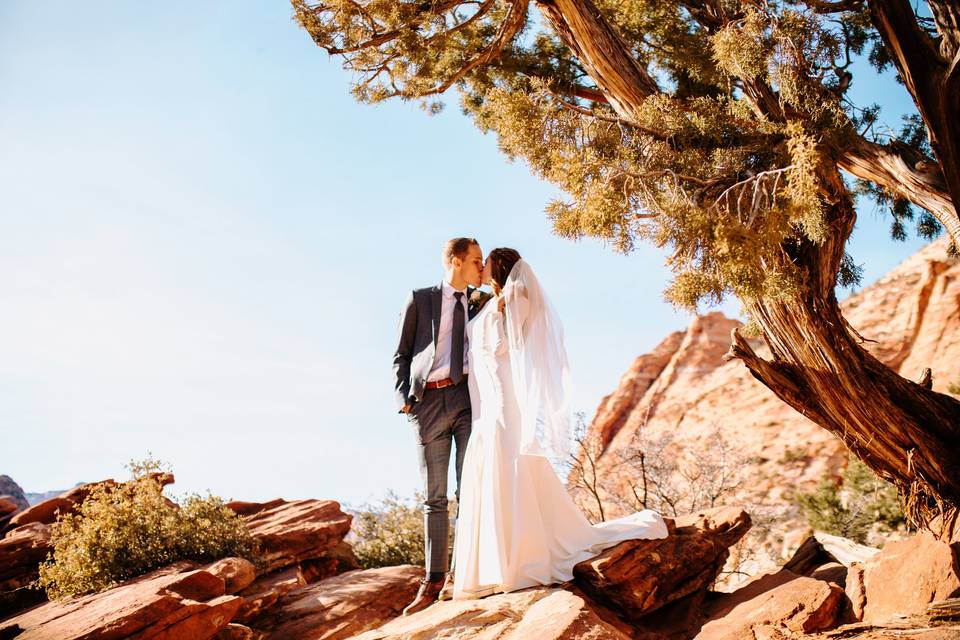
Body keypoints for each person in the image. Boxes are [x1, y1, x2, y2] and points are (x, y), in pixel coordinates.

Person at [452, 248, 668, 599]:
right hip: (484, 400)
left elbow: (511, 345)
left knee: (510, 463)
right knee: (494, 466)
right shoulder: (491, 300)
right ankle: (495, 562)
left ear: (500, 265)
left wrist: (502, 317)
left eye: (486, 260)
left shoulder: (516, 296)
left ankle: (522, 558)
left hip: (503, 397)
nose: (482, 265)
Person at [392, 237, 484, 615]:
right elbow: (401, 353)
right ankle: (432, 581)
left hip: (466, 401)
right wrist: (405, 399)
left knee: (470, 490)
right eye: (476, 261)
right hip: (427, 402)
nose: (480, 267)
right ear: (455, 261)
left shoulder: (481, 302)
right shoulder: (420, 298)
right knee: (435, 497)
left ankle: (463, 575)